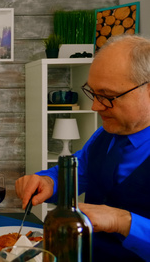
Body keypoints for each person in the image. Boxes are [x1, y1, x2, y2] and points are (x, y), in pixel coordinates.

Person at [16, 35, 150, 261]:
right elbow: (78, 172)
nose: (95, 106)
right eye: (93, 92)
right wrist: (49, 181)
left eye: (107, 96)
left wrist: (123, 221)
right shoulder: (103, 137)